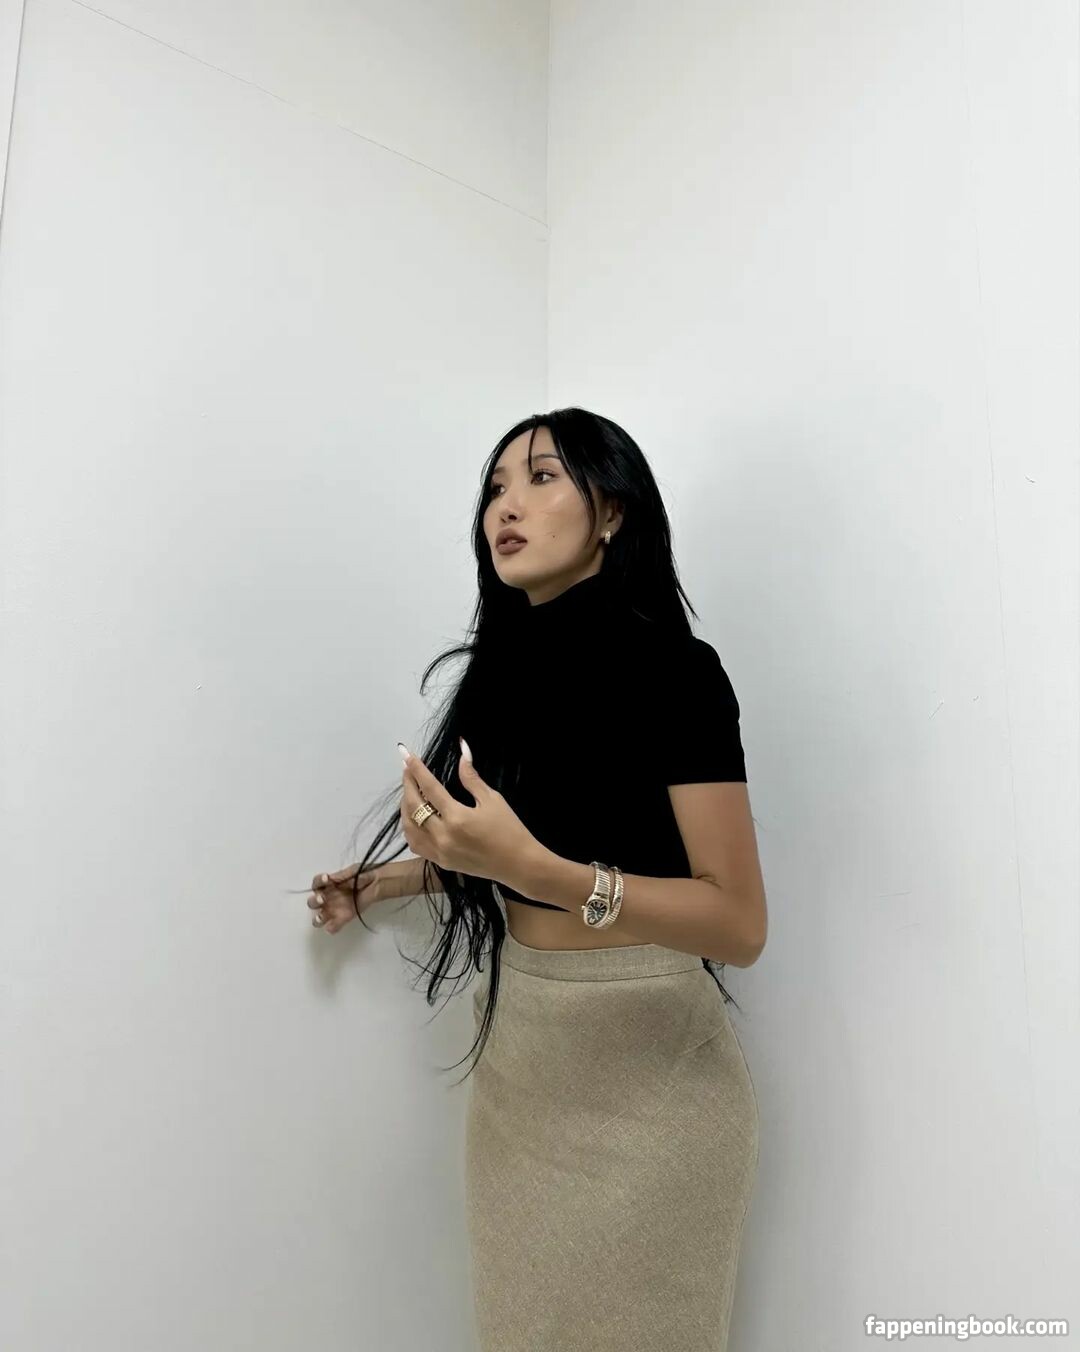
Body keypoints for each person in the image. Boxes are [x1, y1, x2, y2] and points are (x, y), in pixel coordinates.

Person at [302, 407, 767, 1351]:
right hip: (522, 1061)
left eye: (542, 477)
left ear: (613, 513)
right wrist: (388, 882)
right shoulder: (500, 680)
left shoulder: (677, 672)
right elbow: (511, 861)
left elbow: (739, 924)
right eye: (495, 488)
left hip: (651, 1070)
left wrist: (542, 872)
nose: (505, 507)